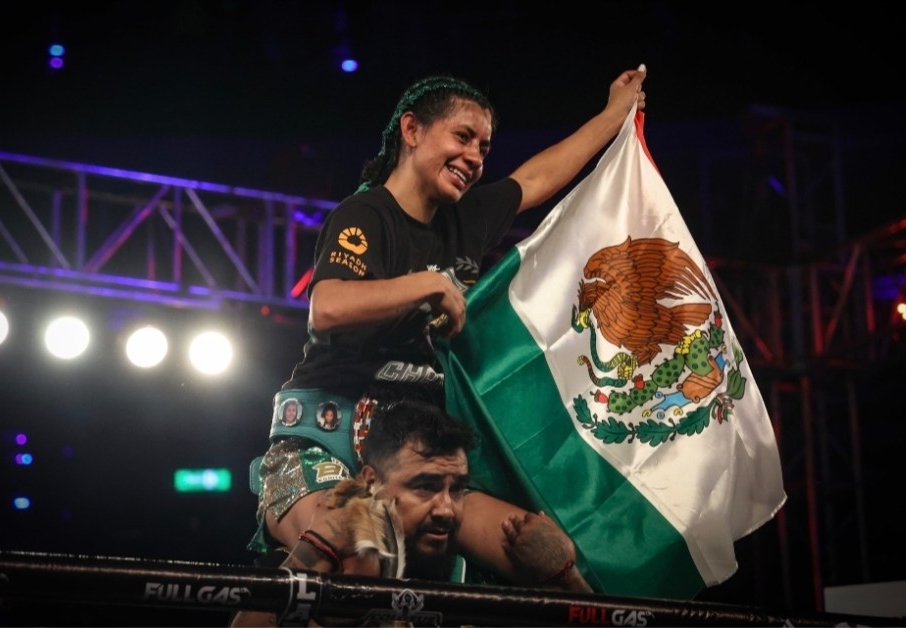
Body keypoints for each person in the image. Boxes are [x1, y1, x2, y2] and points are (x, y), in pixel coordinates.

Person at [246, 64, 647, 590]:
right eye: (463, 137)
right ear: (412, 130)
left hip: (419, 458)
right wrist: (428, 284)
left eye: (484, 146)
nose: (476, 157)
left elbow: (537, 178)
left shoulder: (466, 218)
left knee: (547, 556)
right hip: (325, 440)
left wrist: (615, 113)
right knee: (357, 543)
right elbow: (328, 306)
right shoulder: (365, 214)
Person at [231, 400, 589, 626]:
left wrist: (568, 579)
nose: (447, 509)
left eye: (457, 488)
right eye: (426, 487)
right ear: (372, 483)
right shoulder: (311, 572)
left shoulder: (483, 582)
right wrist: (317, 545)